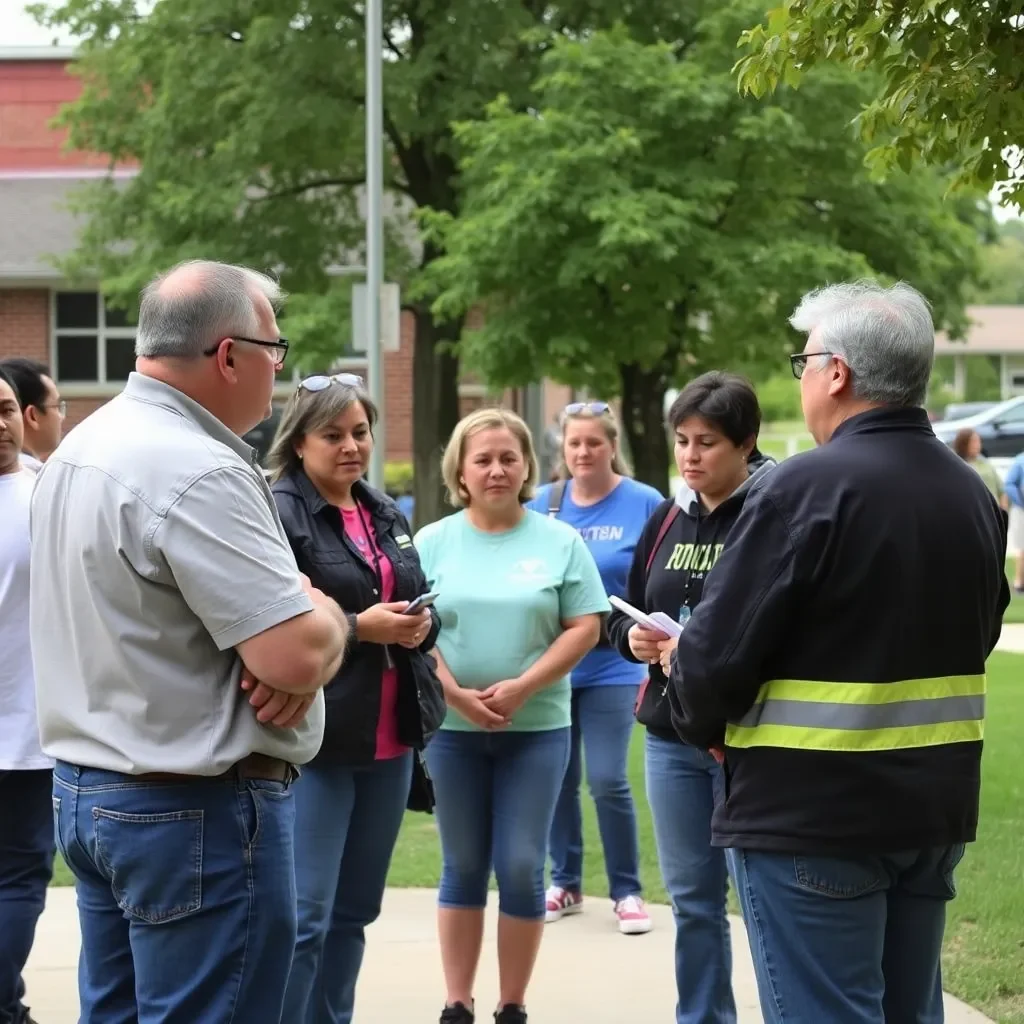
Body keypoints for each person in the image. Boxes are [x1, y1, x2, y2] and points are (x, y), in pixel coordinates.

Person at [666, 281, 1009, 1024]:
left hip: (810, 818)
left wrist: (683, 681)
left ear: (838, 373)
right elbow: (979, 633)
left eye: (805, 362)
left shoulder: (801, 488)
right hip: (931, 812)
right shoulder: (971, 493)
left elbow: (714, 662)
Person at [31, 260, 350, 1024]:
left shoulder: (85, 442)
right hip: (193, 810)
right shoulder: (197, 467)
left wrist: (293, 637)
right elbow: (294, 656)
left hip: (91, 792)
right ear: (228, 354)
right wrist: (327, 614)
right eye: (274, 348)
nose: (279, 368)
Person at [414, 408, 609, 1024]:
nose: (497, 470)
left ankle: (512, 1005)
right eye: (483, 459)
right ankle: (456, 1003)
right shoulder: (431, 542)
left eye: (508, 457)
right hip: (452, 731)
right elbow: (417, 632)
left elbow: (586, 625)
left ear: (527, 465)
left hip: (537, 729)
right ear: (460, 472)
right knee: (463, 864)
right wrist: (453, 694)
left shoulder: (560, 541)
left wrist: (525, 686)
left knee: (522, 863)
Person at [269, 372, 445, 1024]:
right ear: (300, 441)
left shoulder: (382, 509)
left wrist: (425, 623)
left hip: (391, 737)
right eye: (333, 434)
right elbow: (275, 622)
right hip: (316, 739)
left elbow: (417, 593)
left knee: (354, 911)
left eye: (361, 432)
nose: (351, 446)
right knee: (306, 916)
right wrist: (358, 627)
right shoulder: (279, 509)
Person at [606, 372, 774, 1024]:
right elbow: (621, 611)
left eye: (707, 442)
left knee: (761, 897)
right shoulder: (669, 515)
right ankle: (703, 1017)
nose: (691, 456)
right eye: (682, 441)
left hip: (746, 739)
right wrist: (634, 642)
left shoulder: (770, 513)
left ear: (747, 444)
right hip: (671, 737)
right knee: (693, 900)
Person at [526, 401, 661, 935]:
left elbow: (655, 583)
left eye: (594, 443)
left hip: (615, 665)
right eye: (574, 443)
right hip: (555, 666)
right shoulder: (544, 504)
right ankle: (566, 882)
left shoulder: (644, 502)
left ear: (612, 447)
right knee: (558, 778)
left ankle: (627, 891)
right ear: (564, 448)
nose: (583, 452)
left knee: (607, 779)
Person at [0, 365, 52, 1024]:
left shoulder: (47, 491)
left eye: (7, 408)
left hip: (30, 730)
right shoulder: (48, 493)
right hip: (26, 732)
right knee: (16, 879)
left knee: (16, 879)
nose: (1, 423)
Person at [0, 358, 64, 474]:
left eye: (7, 411)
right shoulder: (49, 483)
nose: (61, 417)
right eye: (57, 407)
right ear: (32, 415)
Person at [951, 427, 1003, 502]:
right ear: (963, 444)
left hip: (994, 509)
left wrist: (1003, 509)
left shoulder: (985, 462)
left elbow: (1001, 489)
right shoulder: (957, 466)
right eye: (973, 442)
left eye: (979, 441)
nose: (977, 445)